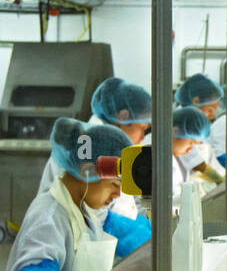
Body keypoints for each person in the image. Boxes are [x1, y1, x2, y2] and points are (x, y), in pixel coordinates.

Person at [3, 119, 150, 271]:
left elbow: (124, 231)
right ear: (87, 172)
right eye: (114, 184)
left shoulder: (84, 210)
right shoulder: (49, 217)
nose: (118, 194)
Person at [38, 76, 152, 220]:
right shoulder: (91, 148)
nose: (142, 137)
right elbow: (98, 211)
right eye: (143, 128)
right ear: (123, 116)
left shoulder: (110, 146)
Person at [174, 73, 225, 181]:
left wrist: (225, 178)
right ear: (196, 101)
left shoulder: (196, 126)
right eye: (209, 110)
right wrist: (220, 181)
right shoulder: (182, 127)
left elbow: (210, 158)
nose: (212, 116)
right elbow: (197, 164)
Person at [172, 105, 214, 195]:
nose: (191, 149)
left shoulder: (174, 156)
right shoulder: (154, 155)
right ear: (175, 131)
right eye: (191, 142)